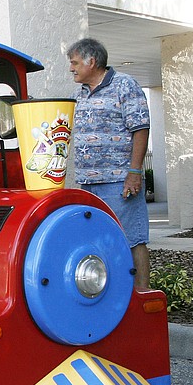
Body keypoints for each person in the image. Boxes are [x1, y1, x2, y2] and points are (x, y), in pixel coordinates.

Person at [68, 37, 151, 288]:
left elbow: (141, 128)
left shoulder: (125, 85)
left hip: (119, 181)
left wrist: (134, 172)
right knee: (100, 242)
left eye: (74, 63)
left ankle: (143, 295)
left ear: (91, 61)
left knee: (132, 239)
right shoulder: (79, 93)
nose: (71, 68)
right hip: (89, 183)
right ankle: (116, 299)